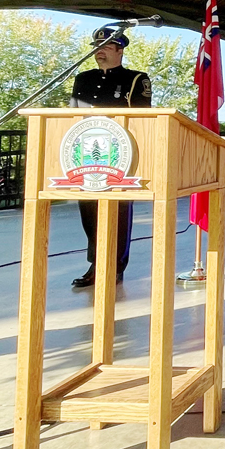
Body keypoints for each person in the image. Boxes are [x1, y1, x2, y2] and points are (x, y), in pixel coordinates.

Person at [70, 27, 152, 288]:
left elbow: (143, 118)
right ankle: (96, 264)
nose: (99, 50)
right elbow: (73, 117)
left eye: (106, 45)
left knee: (118, 210)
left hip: (120, 153)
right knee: (89, 209)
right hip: (86, 151)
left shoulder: (136, 79)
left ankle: (114, 265)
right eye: (97, 45)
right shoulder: (83, 78)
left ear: (120, 49)